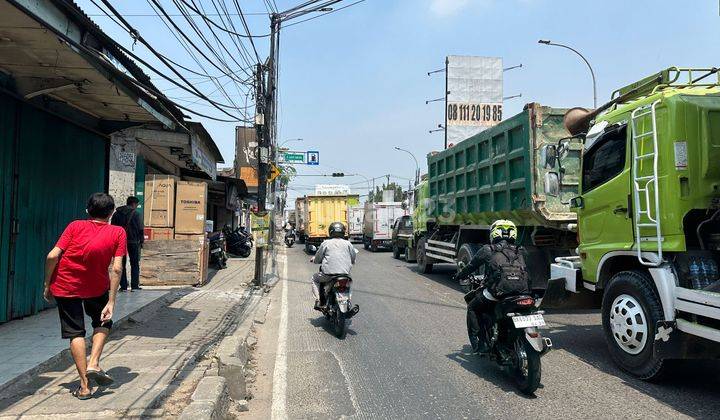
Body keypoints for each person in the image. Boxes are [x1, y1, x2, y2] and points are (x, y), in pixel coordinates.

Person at [43, 193, 127, 399]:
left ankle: (84, 386)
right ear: (112, 213)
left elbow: (53, 255)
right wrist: (112, 301)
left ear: (88, 210)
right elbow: (116, 269)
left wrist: (47, 284)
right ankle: (94, 363)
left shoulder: (74, 226)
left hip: (65, 285)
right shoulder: (118, 232)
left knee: (75, 333)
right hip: (97, 287)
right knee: (103, 322)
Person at [454, 219, 530, 353]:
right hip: (523, 292)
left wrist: (460, 275)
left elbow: (471, 266)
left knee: (472, 306)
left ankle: (480, 344)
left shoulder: (488, 249)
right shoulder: (522, 250)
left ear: (494, 233)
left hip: (498, 293)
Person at [310, 222, 357, 310]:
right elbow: (353, 258)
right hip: (344, 275)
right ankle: (348, 300)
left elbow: (317, 258)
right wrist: (352, 262)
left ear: (330, 232)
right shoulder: (348, 244)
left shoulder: (326, 243)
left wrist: (314, 260)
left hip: (328, 276)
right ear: (343, 232)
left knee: (314, 278)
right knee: (350, 282)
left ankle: (318, 300)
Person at [111, 196, 144, 291]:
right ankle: (134, 286)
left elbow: (112, 228)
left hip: (120, 242)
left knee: (121, 264)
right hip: (133, 242)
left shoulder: (117, 214)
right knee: (134, 264)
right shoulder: (137, 214)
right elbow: (141, 228)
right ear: (134, 204)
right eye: (136, 204)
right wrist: (141, 241)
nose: (137, 206)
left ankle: (123, 286)